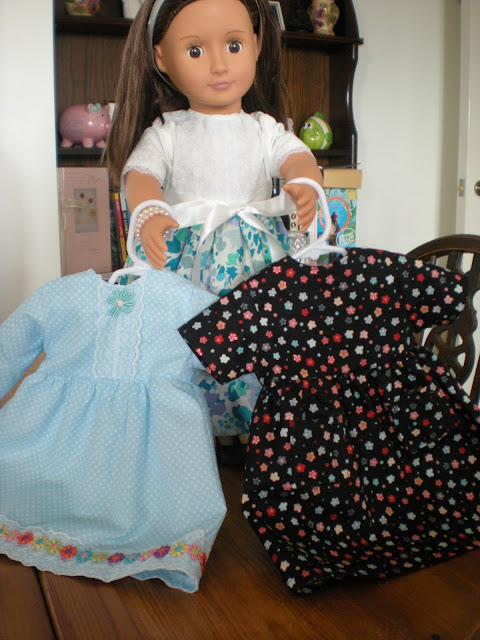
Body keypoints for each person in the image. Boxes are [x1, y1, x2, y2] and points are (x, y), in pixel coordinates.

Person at [107, 0, 324, 454]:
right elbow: (140, 174)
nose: (219, 65)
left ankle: (256, 424)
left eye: (234, 45)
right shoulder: (167, 131)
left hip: (257, 259)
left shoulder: (264, 129)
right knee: (187, 337)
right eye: (195, 51)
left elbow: (297, 156)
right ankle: (191, 426)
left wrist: (304, 182)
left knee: (262, 336)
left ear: (256, 46)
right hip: (189, 259)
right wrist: (149, 209)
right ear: (161, 58)